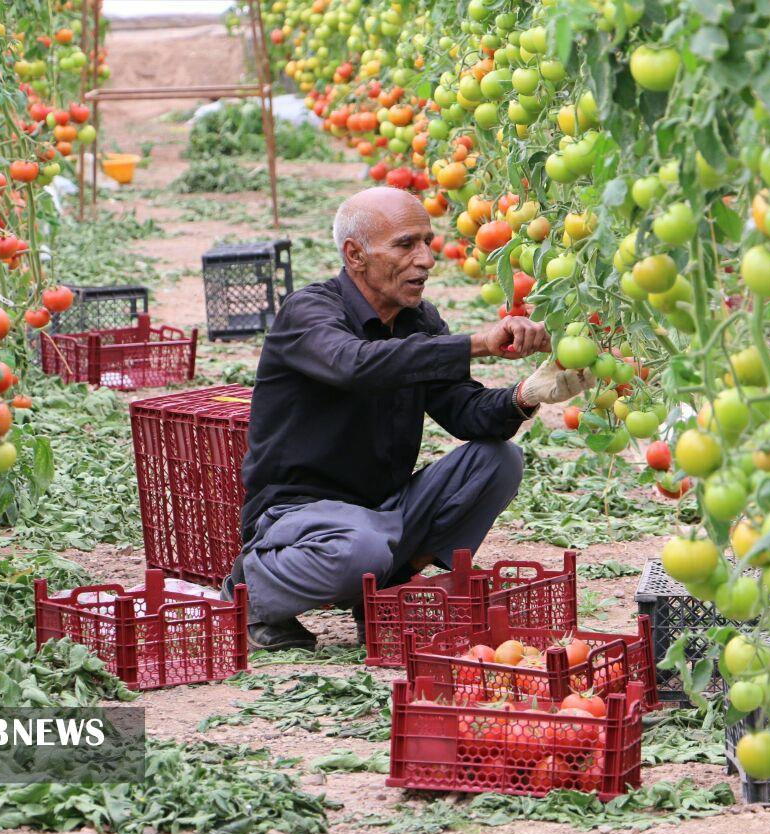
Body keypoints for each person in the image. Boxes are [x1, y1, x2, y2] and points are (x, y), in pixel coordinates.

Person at [223, 187, 594, 650]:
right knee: (360, 546)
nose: (426, 259)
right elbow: (355, 364)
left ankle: (383, 588)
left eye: (427, 242)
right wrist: (476, 343)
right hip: (296, 516)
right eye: (405, 245)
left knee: (498, 461)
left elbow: (464, 412)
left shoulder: (419, 321)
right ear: (355, 255)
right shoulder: (309, 312)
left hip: (383, 512)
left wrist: (525, 395)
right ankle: (251, 589)